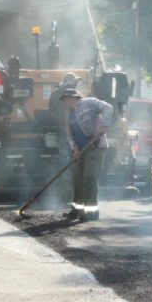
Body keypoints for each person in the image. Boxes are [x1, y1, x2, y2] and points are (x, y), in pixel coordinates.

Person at [60, 88, 113, 222]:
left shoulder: (89, 102)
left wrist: (104, 125)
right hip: (80, 150)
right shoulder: (68, 113)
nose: (66, 102)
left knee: (89, 177)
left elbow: (108, 108)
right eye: (64, 100)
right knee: (77, 179)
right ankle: (77, 209)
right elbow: (69, 134)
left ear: (75, 98)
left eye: (67, 99)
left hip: (95, 147)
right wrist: (74, 149)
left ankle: (91, 212)